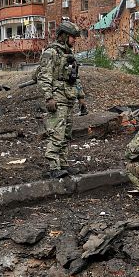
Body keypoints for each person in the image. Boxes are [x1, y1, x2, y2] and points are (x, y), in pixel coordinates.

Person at [37, 20, 88, 178]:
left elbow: (75, 78)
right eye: (73, 37)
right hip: (57, 98)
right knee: (57, 133)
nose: (74, 40)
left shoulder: (69, 54)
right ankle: (53, 166)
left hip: (68, 97)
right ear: (64, 36)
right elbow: (44, 77)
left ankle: (63, 164)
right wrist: (49, 98)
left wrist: (81, 98)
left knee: (66, 133)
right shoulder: (51, 52)